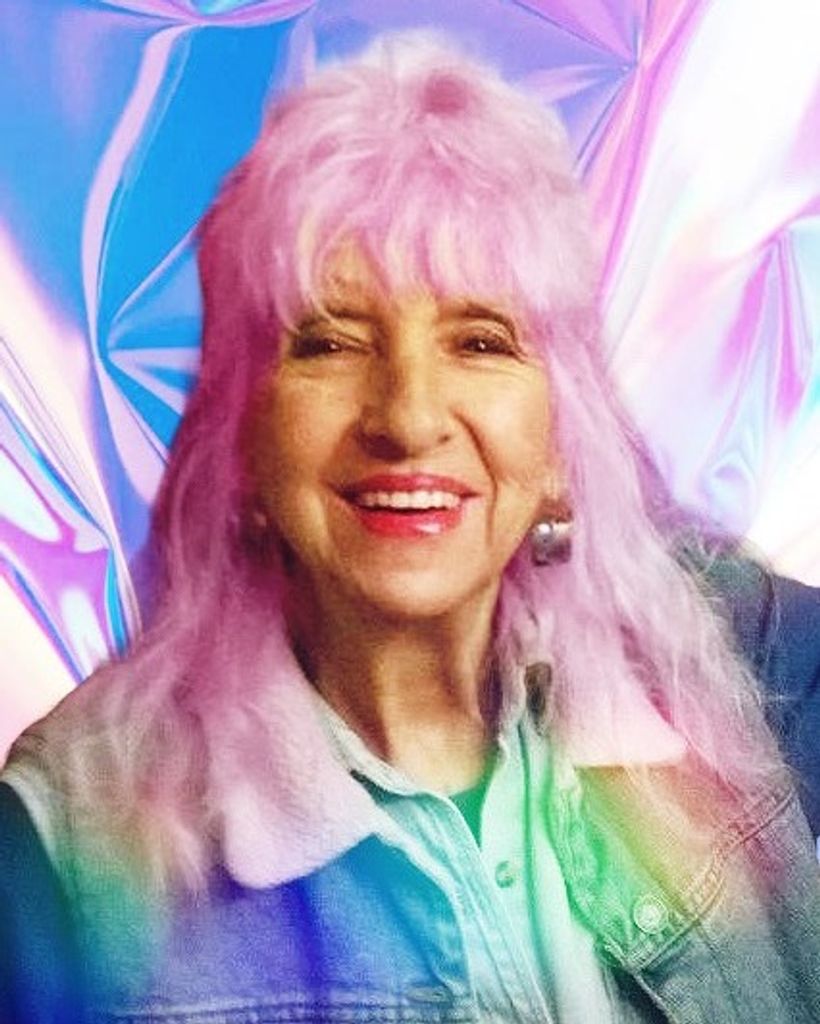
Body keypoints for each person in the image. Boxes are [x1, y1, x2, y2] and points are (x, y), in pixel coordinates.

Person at [1, 32, 819, 1024]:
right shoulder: (64, 852)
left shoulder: (753, 662)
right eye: (329, 343)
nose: (409, 417)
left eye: (480, 340)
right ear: (241, 437)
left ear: (563, 440)